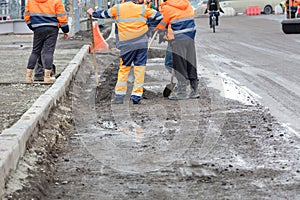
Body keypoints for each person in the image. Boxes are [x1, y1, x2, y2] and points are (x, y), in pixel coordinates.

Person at [87, 0, 163, 104]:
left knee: (124, 68)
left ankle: (119, 96)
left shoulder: (117, 8)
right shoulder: (142, 8)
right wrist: (149, 26)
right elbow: (159, 16)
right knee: (140, 68)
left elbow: (104, 14)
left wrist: (93, 13)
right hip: (142, 42)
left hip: (127, 44)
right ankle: (136, 95)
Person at [155, 0, 199, 100]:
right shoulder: (187, 4)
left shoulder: (167, 8)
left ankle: (182, 92)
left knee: (179, 64)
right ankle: (195, 90)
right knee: (191, 62)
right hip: (190, 36)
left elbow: (162, 24)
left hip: (178, 38)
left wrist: (158, 29)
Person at [24, 0, 69, 83]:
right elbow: (62, 16)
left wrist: (33, 27)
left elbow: (26, 16)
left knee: (35, 51)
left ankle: (28, 77)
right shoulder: (56, 1)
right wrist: (65, 30)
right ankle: (47, 77)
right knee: (48, 52)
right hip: (52, 29)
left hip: (38, 28)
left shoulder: (31, 1)